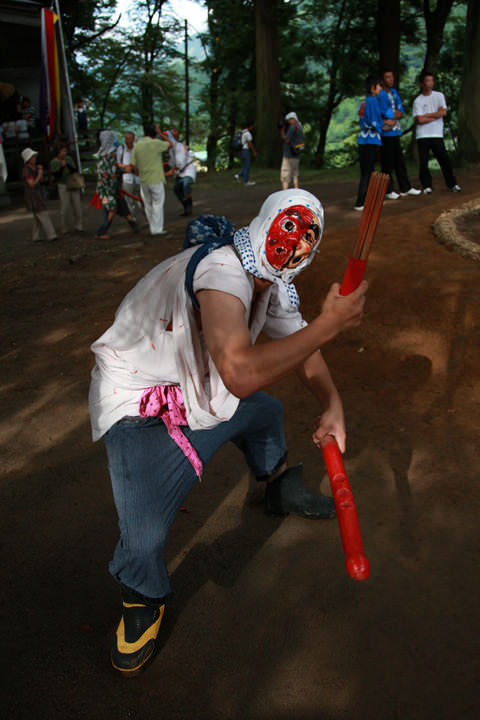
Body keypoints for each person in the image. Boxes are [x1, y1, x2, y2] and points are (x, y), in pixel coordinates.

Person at [88, 188, 368, 675]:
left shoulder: (273, 282)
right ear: (264, 223)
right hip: (141, 405)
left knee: (263, 412)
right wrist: (329, 325)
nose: (297, 241)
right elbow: (239, 371)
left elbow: (299, 351)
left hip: (200, 389)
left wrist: (333, 402)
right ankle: (141, 598)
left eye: (309, 236)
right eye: (289, 225)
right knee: (144, 536)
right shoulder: (225, 270)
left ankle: (277, 483)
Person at [412, 71, 461, 195]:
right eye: (427, 81)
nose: (430, 83)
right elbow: (420, 120)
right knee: (423, 162)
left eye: (431, 81)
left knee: (443, 159)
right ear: (422, 83)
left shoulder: (439, 96)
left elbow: (443, 113)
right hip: (422, 134)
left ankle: (452, 183)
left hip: (436, 133)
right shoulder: (418, 100)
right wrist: (435, 115)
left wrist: (428, 116)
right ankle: (426, 185)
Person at [378, 70, 421, 200]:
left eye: (392, 77)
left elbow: (400, 112)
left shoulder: (394, 93)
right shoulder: (380, 95)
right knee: (387, 162)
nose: (391, 79)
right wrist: (393, 114)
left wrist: (393, 114)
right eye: (388, 77)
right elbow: (384, 113)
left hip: (396, 131)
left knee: (399, 161)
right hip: (386, 133)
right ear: (383, 79)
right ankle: (388, 189)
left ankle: (405, 187)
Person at [354, 75, 394, 211]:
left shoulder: (367, 101)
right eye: (379, 86)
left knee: (368, 172)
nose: (380, 89)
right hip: (369, 140)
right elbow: (373, 121)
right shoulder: (372, 101)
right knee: (367, 173)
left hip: (367, 140)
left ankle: (366, 201)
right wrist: (385, 125)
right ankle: (360, 202)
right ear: (373, 88)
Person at [93, 130, 137, 239]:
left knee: (124, 209)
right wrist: (123, 169)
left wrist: (126, 169)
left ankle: (134, 226)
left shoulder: (109, 157)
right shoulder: (104, 159)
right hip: (106, 190)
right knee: (111, 209)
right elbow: (112, 171)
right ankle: (101, 232)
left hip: (114, 189)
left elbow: (117, 168)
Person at [131, 125, 172, 236]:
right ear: (155, 134)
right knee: (158, 203)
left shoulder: (137, 146)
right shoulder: (156, 143)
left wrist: (138, 173)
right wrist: (161, 133)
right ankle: (157, 229)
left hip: (143, 180)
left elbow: (133, 164)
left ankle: (152, 228)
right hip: (156, 178)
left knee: (148, 204)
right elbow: (171, 144)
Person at [21, 147, 57, 242]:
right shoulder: (26, 170)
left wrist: (39, 173)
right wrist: (40, 174)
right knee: (42, 214)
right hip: (33, 196)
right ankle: (51, 234)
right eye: (33, 157)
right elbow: (31, 184)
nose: (34, 158)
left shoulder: (35, 168)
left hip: (38, 194)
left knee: (37, 218)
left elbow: (39, 181)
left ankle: (35, 236)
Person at [50, 143, 83, 235]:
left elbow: (74, 170)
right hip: (63, 185)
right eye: (63, 151)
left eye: (65, 151)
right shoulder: (54, 162)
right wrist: (61, 166)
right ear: (58, 152)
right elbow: (56, 175)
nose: (64, 153)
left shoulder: (68, 159)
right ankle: (64, 227)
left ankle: (78, 225)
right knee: (65, 207)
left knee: (77, 206)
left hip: (72, 183)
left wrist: (66, 165)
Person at [166, 128, 197, 216]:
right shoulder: (171, 149)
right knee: (176, 189)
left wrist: (173, 170)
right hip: (179, 172)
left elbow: (180, 163)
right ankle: (185, 206)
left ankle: (189, 206)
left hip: (188, 170)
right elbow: (172, 162)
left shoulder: (179, 146)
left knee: (186, 184)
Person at [117, 131, 142, 224]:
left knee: (141, 199)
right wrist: (125, 167)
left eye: (130, 138)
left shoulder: (137, 149)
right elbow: (118, 162)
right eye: (126, 138)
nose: (128, 140)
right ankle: (132, 220)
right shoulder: (121, 148)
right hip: (127, 178)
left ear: (133, 139)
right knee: (129, 200)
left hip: (138, 177)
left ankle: (148, 217)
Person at [280, 112, 304, 190]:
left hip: (289, 154)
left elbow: (287, 140)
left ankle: (285, 192)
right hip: (296, 153)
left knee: (285, 174)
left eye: (289, 120)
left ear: (293, 119)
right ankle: (296, 190)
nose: (288, 122)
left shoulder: (293, 127)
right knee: (295, 174)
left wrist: (282, 130)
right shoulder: (300, 126)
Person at [234, 122, 257, 186]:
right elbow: (249, 143)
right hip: (246, 150)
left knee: (245, 165)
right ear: (250, 126)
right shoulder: (247, 133)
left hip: (241, 150)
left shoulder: (241, 132)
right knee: (247, 165)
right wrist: (254, 151)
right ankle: (246, 181)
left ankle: (238, 175)